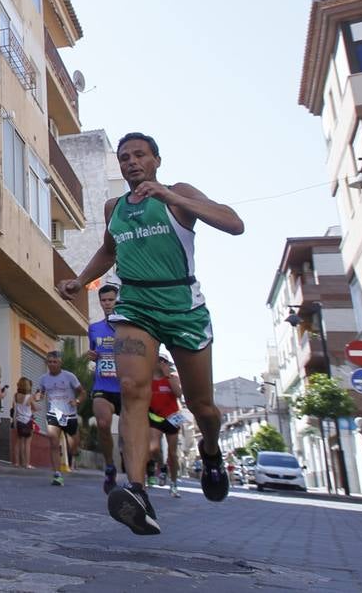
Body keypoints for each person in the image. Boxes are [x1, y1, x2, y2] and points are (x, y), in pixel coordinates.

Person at [56, 131, 244, 535]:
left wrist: (173, 198)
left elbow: (234, 223)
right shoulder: (115, 208)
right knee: (131, 387)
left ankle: (211, 450)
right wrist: (80, 280)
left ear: (156, 160)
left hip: (183, 306)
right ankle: (137, 489)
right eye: (124, 157)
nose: (131, 163)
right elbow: (110, 249)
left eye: (140, 155)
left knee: (202, 404)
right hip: (135, 306)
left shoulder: (178, 194)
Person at [87, 278, 123, 493]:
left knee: (127, 435)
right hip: (103, 385)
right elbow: (94, 354)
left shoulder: (128, 327)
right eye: (104, 301)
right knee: (102, 424)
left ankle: (136, 474)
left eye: (111, 300)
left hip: (126, 388)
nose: (107, 303)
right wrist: (92, 356)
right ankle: (110, 465)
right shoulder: (94, 328)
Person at [35, 351, 82, 486]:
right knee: (54, 443)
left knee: (73, 446)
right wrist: (38, 396)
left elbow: (82, 392)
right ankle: (57, 474)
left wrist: (77, 401)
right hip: (53, 414)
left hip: (70, 415)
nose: (52, 364)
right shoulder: (43, 378)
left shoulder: (69, 376)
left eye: (54, 362)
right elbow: (40, 392)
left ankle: (74, 451)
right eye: (49, 362)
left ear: (60, 363)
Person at [147, 353, 185, 499]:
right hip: (155, 417)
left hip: (172, 417)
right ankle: (161, 466)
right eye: (159, 360)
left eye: (165, 361)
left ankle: (174, 484)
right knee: (154, 448)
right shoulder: (148, 379)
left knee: (172, 454)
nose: (162, 363)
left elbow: (178, 394)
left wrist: (168, 375)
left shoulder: (172, 378)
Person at [11, 377, 36, 468]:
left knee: (18, 442)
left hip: (18, 421)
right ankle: (26, 463)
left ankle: (17, 462)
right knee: (27, 444)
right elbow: (35, 408)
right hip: (27, 421)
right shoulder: (30, 397)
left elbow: (14, 408)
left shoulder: (15, 395)